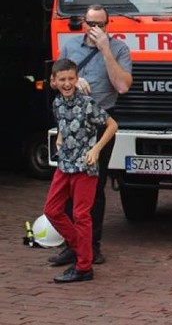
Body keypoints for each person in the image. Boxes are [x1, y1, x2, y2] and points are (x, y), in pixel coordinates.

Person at [49, 4, 132, 268]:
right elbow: (58, 82)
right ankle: (72, 245)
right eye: (91, 23)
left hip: (98, 125)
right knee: (68, 189)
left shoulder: (119, 49)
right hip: (71, 125)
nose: (95, 29)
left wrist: (106, 50)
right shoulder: (71, 46)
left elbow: (122, 86)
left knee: (93, 190)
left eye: (101, 24)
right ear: (83, 23)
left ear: (108, 25)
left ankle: (92, 246)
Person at [43, 59, 118, 283]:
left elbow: (112, 125)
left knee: (81, 215)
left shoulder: (86, 102)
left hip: (85, 167)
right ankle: (81, 248)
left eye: (71, 79)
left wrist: (96, 149)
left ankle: (84, 267)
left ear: (77, 80)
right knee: (52, 210)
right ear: (54, 81)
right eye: (62, 80)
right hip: (65, 164)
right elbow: (63, 125)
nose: (67, 83)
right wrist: (59, 136)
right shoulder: (56, 103)